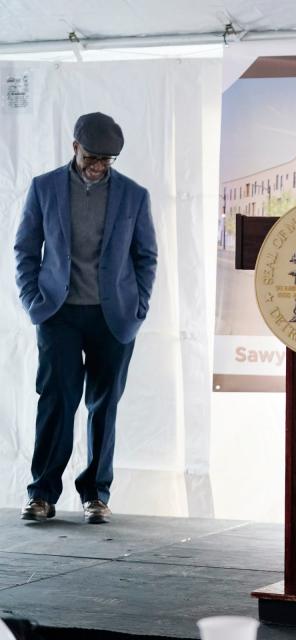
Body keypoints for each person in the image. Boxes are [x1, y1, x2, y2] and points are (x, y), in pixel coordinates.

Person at [14, 112, 158, 525]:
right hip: (58, 313)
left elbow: (146, 256)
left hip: (113, 317)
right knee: (57, 400)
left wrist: (138, 307)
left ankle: (96, 493)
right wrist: (32, 300)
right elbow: (25, 248)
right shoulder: (45, 188)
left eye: (107, 161)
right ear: (75, 146)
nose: (98, 167)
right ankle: (42, 494)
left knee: (104, 404)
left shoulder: (134, 195)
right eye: (92, 157)